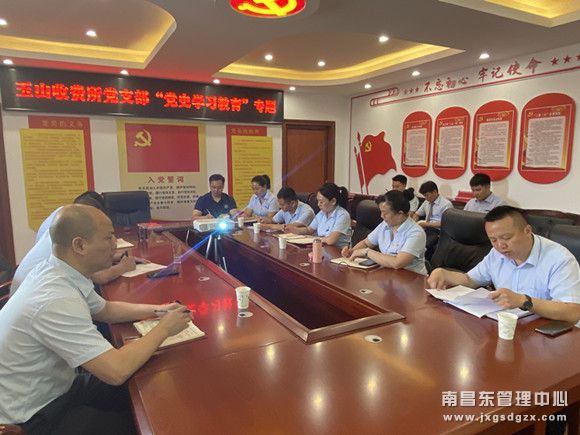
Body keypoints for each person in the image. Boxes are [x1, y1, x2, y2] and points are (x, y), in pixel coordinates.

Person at [0, 205, 191, 434]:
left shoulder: (58, 271)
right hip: (34, 415)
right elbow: (116, 370)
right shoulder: (54, 298)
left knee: (147, 385)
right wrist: (164, 329)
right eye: (108, 237)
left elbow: (105, 309)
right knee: (139, 423)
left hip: (58, 388)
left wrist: (158, 310)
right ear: (79, 245)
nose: (115, 244)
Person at [427, 206, 580, 323]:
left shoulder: (559, 259)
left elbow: (573, 312)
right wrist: (444, 273)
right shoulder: (496, 253)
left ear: (527, 231)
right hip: (507, 326)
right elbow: (470, 280)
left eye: (506, 238)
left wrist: (523, 301)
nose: (500, 246)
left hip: (545, 334)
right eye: (493, 240)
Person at [11, 192, 137, 295]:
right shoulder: (68, 234)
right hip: (40, 296)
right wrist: (123, 267)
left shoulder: (62, 220)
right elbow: (100, 277)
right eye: (107, 237)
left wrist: (110, 256)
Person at [342, 191, 427, 275]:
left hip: (410, 279)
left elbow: (397, 263)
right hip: (387, 275)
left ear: (400, 213)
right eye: (381, 212)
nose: (381, 216)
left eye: (385, 213)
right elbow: (366, 243)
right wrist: (352, 252)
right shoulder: (385, 225)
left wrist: (367, 252)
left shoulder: (416, 233)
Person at [290, 182, 351, 248]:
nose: (318, 204)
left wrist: (314, 239)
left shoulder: (342, 215)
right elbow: (309, 230)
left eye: (321, 202)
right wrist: (294, 230)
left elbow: (331, 240)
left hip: (337, 251)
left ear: (333, 201)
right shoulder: (322, 213)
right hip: (322, 247)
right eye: (318, 201)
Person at [412, 181, 453, 260]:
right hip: (425, 228)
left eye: (427, 195)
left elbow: (445, 223)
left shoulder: (446, 204)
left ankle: (424, 263)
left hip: (438, 231)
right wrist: (414, 222)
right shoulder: (427, 202)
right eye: (424, 196)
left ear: (434, 192)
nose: (426, 198)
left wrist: (427, 224)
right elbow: (417, 214)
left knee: (423, 245)